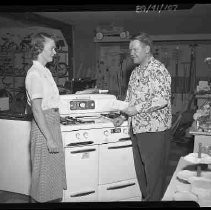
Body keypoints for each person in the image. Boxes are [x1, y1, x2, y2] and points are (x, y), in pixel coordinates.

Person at [113, 32, 172, 201]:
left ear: (147, 49)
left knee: (154, 175)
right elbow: (130, 100)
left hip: (154, 130)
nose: (131, 53)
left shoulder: (158, 70)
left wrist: (137, 109)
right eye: (130, 49)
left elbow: (162, 99)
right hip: (137, 128)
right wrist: (123, 116)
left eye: (135, 49)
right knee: (142, 174)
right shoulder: (135, 72)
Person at [25, 32, 67, 203]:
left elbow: (50, 103)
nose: (55, 52)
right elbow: (36, 109)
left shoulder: (45, 72)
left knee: (53, 180)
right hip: (44, 131)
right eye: (52, 48)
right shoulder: (34, 74)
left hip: (51, 125)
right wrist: (49, 138)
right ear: (40, 49)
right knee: (42, 183)